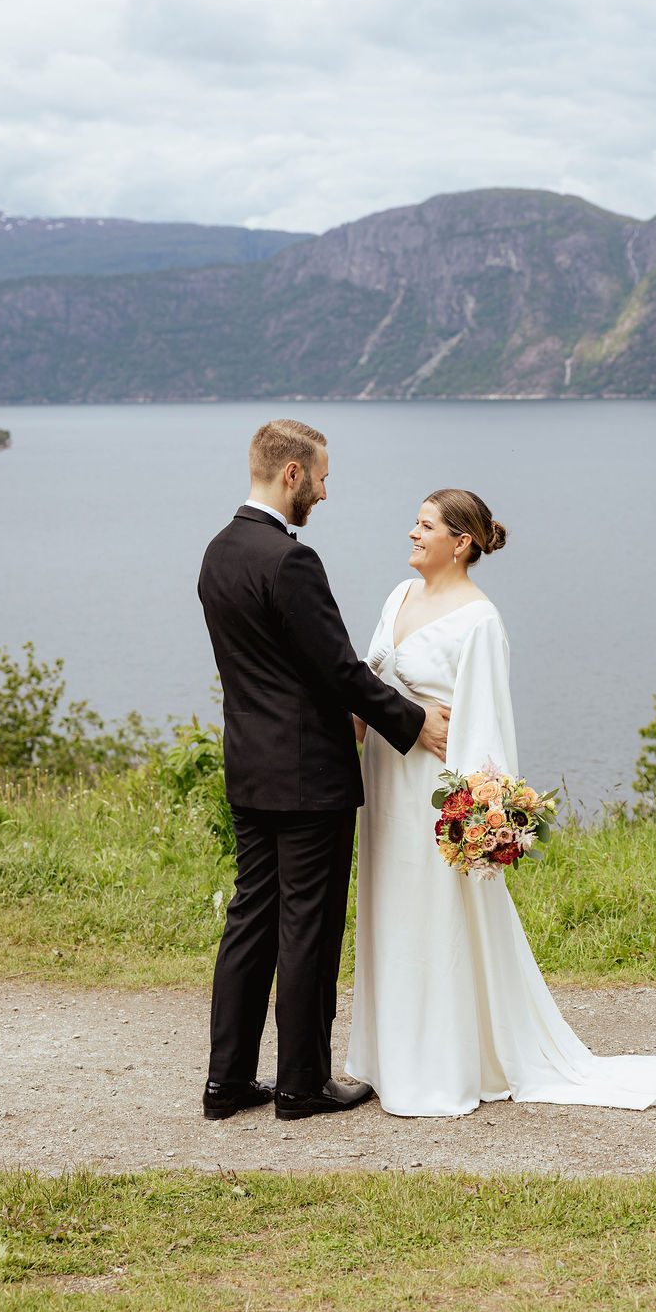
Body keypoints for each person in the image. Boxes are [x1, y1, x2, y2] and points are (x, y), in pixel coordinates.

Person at [346, 488, 656, 1117]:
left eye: (425, 526)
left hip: (430, 791)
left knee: (431, 917)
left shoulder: (479, 619)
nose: (411, 534)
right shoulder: (395, 598)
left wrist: (479, 816)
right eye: (414, 523)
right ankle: (384, 1058)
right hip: (383, 782)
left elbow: (486, 724)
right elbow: (368, 682)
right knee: (388, 910)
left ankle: (436, 1067)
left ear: (462, 543)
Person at [197, 419, 450, 1123]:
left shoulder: (217, 552)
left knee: (249, 921)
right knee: (307, 926)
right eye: (324, 476)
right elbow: (337, 669)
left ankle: (226, 1082)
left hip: (249, 767)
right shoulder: (290, 561)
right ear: (292, 475)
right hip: (309, 775)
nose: (327, 491)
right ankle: (302, 1085)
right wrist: (411, 719)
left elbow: (269, 669)